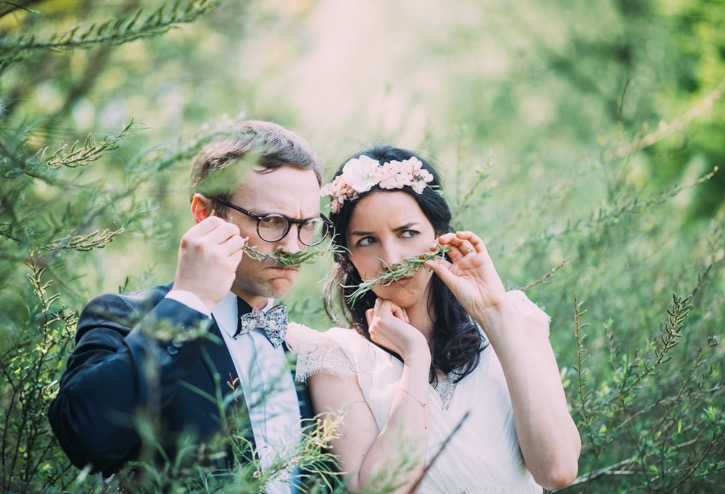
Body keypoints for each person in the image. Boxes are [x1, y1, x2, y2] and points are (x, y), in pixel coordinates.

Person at [49, 120, 331, 493]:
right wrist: (188, 302)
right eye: (272, 221)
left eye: (306, 225)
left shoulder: (308, 351)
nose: (293, 247)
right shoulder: (127, 317)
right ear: (205, 213)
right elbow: (87, 439)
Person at [286, 146, 581, 493]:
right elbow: (382, 490)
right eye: (367, 241)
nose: (392, 259)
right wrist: (414, 357)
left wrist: (493, 313)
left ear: (439, 234)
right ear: (348, 257)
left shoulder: (515, 317)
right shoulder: (335, 357)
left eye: (407, 233)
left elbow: (558, 470)